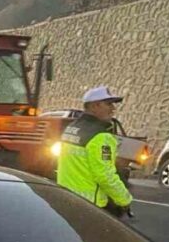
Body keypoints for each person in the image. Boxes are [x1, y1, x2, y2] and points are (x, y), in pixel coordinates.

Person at [56, 86, 133, 218]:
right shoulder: (101, 136)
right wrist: (124, 200)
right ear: (94, 106)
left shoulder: (72, 127)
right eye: (108, 104)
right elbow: (105, 175)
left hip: (67, 199)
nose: (113, 109)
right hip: (91, 206)